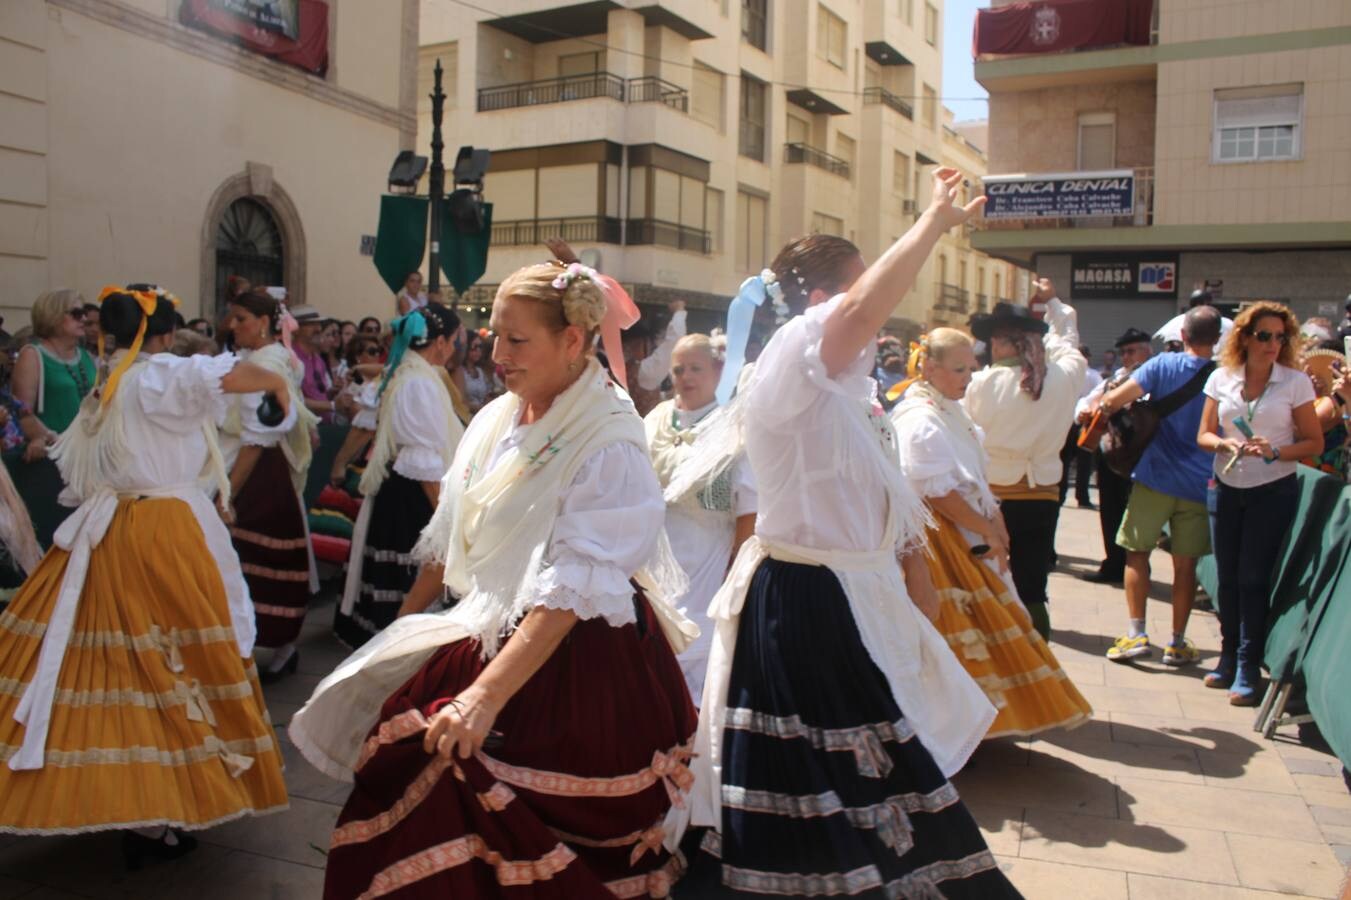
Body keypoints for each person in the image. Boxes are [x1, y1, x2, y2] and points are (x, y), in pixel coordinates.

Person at [289, 262, 698, 898]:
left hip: (575, 662)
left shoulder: (609, 441)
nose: (496, 355)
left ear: (572, 341)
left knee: (505, 824)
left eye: (516, 340)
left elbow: (568, 593)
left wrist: (484, 697)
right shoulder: (496, 420)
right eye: (493, 338)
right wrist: (400, 633)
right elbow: (450, 541)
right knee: (427, 794)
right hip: (486, 633)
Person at [676, 170, 1019, 897]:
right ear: (816, 302)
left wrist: (910, 574)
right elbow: (861, 313)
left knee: (876, 782)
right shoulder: (792, 366)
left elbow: (880, 497)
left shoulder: (852, 395)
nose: (884, 308)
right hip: (805, 599)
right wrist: (931, 223)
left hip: (848, 594)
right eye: (865, 288)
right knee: (831, 785)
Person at [0, 285, 288, 857]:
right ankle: (155, 812)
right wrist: (279, 379)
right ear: (163, 334)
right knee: (165, 663)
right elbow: (240, 376)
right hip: (163, 531)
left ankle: (136, 806)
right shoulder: (159, 376)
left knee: (119, 664)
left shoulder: (112, 380)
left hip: (116, 526)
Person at [894, 328, 1092, 738]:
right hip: (938, 542)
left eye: (971, 367)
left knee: (985, 624)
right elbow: (934, 492)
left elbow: (963, 481)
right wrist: (987, 526)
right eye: (958, 369)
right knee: (956, 633)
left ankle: (966, 726)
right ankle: (948, 729)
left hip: (964, 532)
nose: (967, 377)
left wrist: (993, 520)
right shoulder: (920, 416)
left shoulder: (946, 408)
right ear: (929, 368)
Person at [1198, 301, 1322, 705]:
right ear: (1245, 338)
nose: (1273, 344)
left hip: (1272, 490)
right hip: (1226, 483)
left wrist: (1275, 452)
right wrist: (1223, 442)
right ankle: (1228, 656)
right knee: (1227, 577)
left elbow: (1314, 443)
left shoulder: (1295, 382)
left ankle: (1249, 665)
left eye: (1280, 337)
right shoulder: (1222, 378)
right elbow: (1204, 434)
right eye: (1265, 336)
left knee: (1253, 578)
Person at [1096, 306, 1223, 667]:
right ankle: (1177, 643)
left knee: (1137, 554)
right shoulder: (1224, 376)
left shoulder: (1162, 366)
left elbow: (1111, 401)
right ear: (1216, 340)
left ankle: (1137, 634)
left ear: (1183, 335)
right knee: (1186, 567)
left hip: (1154, 478)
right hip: (1199, 483)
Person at [333, 302, 464, 649]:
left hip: (401, 487)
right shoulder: (418, 381)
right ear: (439, 342)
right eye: (453, 341)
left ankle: (397, 645)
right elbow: (422, 457)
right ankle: (398, 649)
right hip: (412, 492)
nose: (453, 349)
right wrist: (444, 516)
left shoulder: (408, 372)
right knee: (416, 577)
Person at [964, 277, 1086, 640]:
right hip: (1043, 494)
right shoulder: (1064, 376)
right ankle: (1038, 655)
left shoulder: (983, 385)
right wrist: (1054, 304)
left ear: (1002, 343)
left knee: (989, 578)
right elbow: (1068, 340)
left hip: (994, 498)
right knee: (1032, 584)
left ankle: (1000, 651)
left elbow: (966, 437)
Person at [645, 332, 756, 700]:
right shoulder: (657, 418)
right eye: (678, 370)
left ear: (719, 371)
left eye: (696, 368)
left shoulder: (733, 426)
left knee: (699, 653)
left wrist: (736, 574)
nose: (686, 377)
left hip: (708, 558)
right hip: (656, 554)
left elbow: (748, 511)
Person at [221, 290, 320, 680]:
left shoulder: (266, 363)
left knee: (251, 557)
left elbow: (255, 437)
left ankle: (266, 646)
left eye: (241, 318)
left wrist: (228, 492)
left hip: (258, 470)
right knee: (248, 558)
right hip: (263, 465)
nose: (233, 326)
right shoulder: (271, 358)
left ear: (263, 322)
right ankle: (265, 646)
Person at [1077, 327, 1153, 584]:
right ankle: (1113, 564)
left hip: (1143, 456)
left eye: (1131, 351)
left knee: (1137, 516)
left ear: (1147, 350)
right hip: (1112, 454)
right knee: (1110, 511)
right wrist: (1086, 411)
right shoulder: (1117, 377)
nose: (1126, 357)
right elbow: (1086, 402)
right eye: (1123, 352)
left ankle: (1137, 567)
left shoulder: (1156, 376)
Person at [12, 289, 98, 441]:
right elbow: (23, 413)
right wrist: (53, 441)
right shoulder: (32, 355)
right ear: (54, 316)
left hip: (88, 451)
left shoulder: (87, 356)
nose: (84, 319)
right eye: (77, 314)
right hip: (54, 451)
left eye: (84, 313)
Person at [1059, 345, 1102, 509]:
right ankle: (1082, 498)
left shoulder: (1066, 374)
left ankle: (1061, 496)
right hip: (1083, 422)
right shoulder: (1092, 375)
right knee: (1083, 463)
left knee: (1065, 461)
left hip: (1068, 421)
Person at [291, 306, 338, 423]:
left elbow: (317, 393)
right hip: (303, 426)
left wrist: (333, 392)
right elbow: (294, 399)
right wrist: (333, 405)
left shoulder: (318, 359)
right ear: (296, 329)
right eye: (311, 325)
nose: (318, 329)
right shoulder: (289, 357)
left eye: (319, 324)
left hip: (324, 424)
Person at [458, 330, 500, 415]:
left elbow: (487, 394)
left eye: (480, 347)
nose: (478, 350)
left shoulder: (480, 371)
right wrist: (482, 408)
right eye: (474, 347)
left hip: (483, 415)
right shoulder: (459, 371)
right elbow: (460, 402)